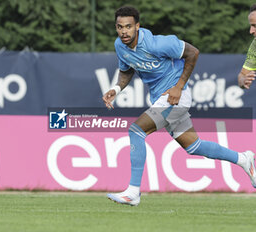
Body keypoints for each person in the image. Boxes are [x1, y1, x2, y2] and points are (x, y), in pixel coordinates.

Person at [103, 6, 256, 206]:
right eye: (120, 27)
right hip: (162, 99)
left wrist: (178, 87)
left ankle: (133, 192)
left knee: (136, 131)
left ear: (138, 27)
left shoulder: (158, 44)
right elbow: (126, 69)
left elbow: (193, 53)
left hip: (176, 97)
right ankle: (244, 159)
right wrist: (116, 88)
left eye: (129, 27)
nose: (124, 31)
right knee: (194, 146)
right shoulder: (120, 46)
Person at [238, 4, 256, 89]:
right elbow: (242, 75)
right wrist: (243, 81)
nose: (251, 31)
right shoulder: (255, 46)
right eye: (251, 26)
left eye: (255, 25)